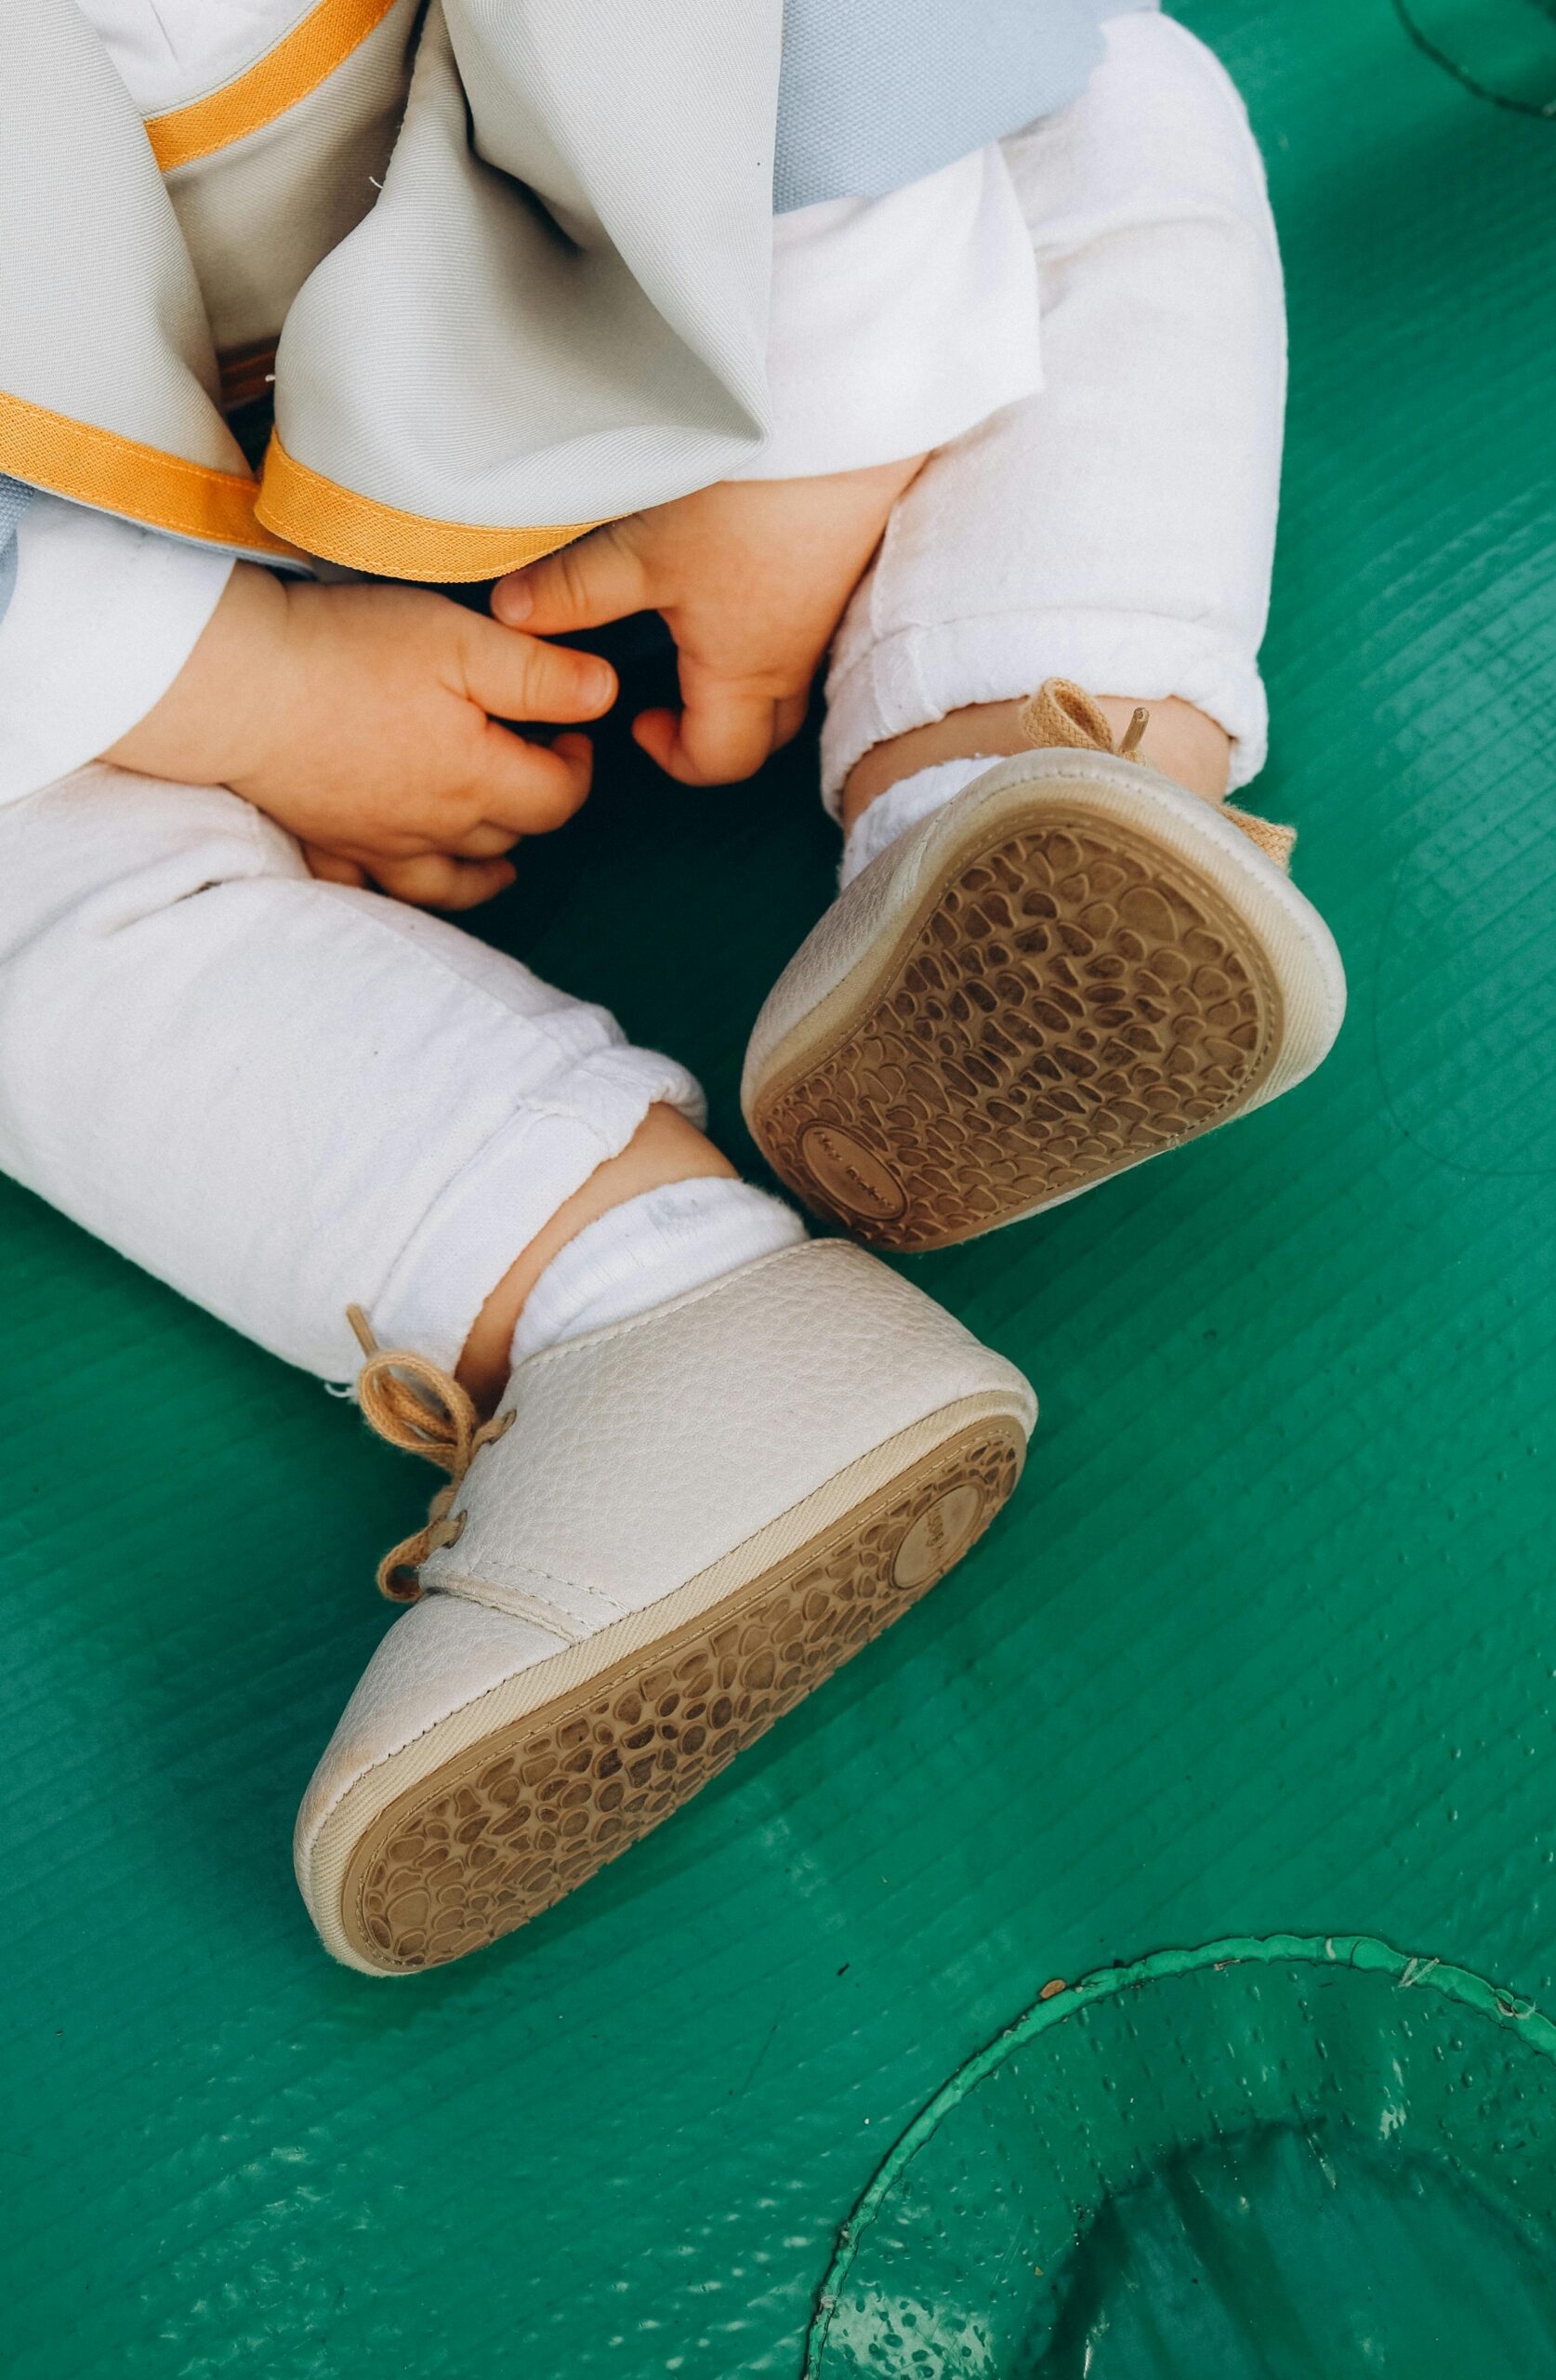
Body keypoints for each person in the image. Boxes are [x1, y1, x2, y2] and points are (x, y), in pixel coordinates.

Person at [0, 0, 1341, 1973]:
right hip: (93, 547)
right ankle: (630, 1305)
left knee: (1102, 105)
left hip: (603, 234)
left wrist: (826, 405)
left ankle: (1006, 782)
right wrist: (233, 690)